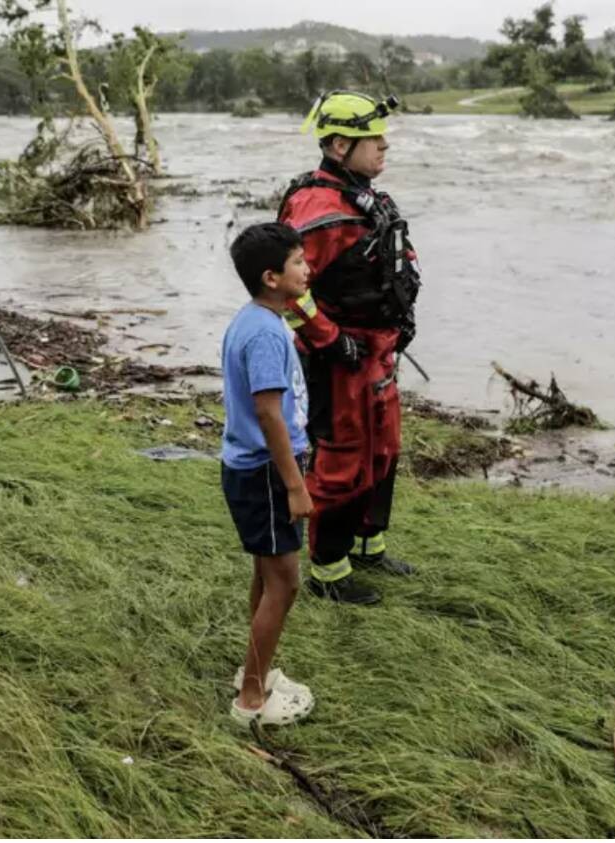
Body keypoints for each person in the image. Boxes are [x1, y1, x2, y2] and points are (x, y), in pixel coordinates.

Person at [277, 91, 422, 606]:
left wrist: (400, 320)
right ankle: (328, 571)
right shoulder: (317, 206)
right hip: (343, 359)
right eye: (372, 139)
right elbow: (288, 288)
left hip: (379, 350)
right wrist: (331, 342)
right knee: (342, 460)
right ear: (339, 145)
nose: (384, 147)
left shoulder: (364, 195)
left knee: (383, 451)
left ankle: (368, 545)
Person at [221, 222, 317, 726]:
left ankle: (252, 672)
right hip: (266, 472)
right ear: (271, 277)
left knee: (266, 573)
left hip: (256, 468)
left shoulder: (256, 319)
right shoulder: (262, 332)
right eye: (298, 262)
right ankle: (252, 701)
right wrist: (295, 486)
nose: (308, 269)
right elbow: (268, 414)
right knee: (285, 582)